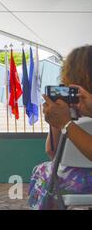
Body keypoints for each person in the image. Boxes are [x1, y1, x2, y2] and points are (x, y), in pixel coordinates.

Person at [28, 45, 92, 209]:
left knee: (42, 171)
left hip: (75, 184)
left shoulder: (65, 109)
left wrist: (63, 123)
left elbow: (52, 151)